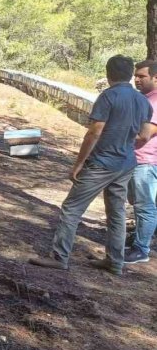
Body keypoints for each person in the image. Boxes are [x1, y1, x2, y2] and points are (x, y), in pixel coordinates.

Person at [30, 55, 153, 275]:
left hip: (102, 162)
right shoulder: (143, 101)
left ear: (109, 75)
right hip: (127, 164)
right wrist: (124, 140)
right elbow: (144, 136)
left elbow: (95, 131)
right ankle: (115, 261)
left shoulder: (108, 97)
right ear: (128, 75)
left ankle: (60, 257)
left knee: (71, 208)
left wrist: (78, 164)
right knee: (116, 213)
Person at [125, 60, 157, 264]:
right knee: (141, 203)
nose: (137, 79)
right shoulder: (145, 98)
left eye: (142, 76)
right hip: (140, 160)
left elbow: (145, 135)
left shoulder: (154, 102)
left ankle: (141, 249)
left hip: (145, 161)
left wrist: (116, 136)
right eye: (136, 75)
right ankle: (141, 239)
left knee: (145, 206)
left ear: (155, 78)